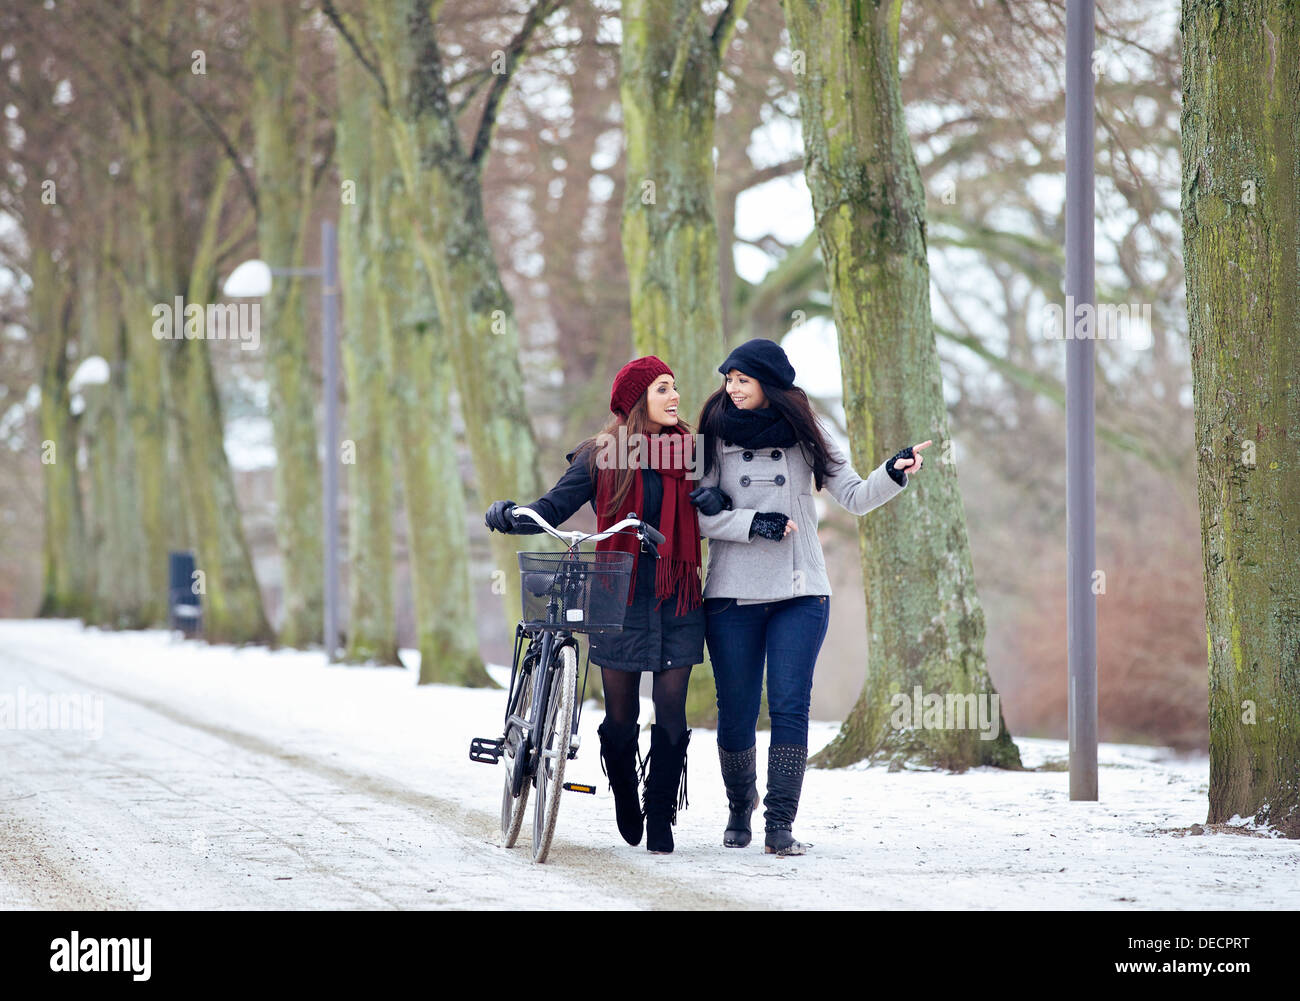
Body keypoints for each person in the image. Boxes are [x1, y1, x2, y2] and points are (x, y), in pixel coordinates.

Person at [688, 338, 929, 856]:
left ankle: (779, 824)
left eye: (742, 380)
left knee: (791, 705)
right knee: (735, 711)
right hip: (732, 591)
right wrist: (757, 523)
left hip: (800, 590)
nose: (732, 388)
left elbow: (855, 496)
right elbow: (699, 516)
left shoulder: (805, 433)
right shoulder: (712, 434)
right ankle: (738, 806)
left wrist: (892, 472)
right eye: (728, 379)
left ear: (768, 383)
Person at [485, 356, 704, 855]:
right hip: (618, 591)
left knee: (671, 708)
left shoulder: (693, 453)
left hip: (677, 591)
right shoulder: (601, 454)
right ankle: (625, 788)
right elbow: (553, 506)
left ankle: (661, 811)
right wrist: (512, 514)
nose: (674, 397)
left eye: (675, 387)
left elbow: (723, 497)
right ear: (636, 401)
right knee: (621, 713)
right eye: (662, 389)